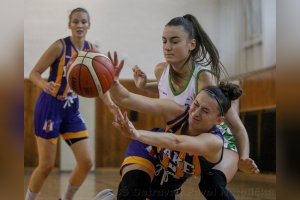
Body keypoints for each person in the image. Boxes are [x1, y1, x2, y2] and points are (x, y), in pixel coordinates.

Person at [131, 14, 259, 199]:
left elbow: (237, 127)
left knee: (211, 185)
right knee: (154, 187)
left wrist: (244, 157)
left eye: (174, 41)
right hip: (188, 141)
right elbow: (170, 92)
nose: (167, 47)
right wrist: (144, 86)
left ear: (192, 44)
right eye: (164, 41)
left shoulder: (204, 79)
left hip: (217, 141)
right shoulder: (161, 70)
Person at [94, 57, 243, 199]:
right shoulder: (175, 110)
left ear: (219, 120)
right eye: (196, 104)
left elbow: (176, 142)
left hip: (169, 178)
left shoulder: (213, 142)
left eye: (205, 111)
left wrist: (136, 133)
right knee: (132, 190)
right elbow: (126, 98)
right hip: (148, 149)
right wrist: (113, 83)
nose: (195, 113)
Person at [25, 7, 120, 200]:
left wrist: (110, 105)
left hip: (71, 108)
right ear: (69, 24)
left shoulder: (92, 52)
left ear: (89, 25)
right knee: (46, 165)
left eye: (83, 21)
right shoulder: (59, 47)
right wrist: (45, 85)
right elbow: (34, 73)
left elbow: (100, 84)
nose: (79, 25)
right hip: (49, 106)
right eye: (75, 21)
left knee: (86, 162)